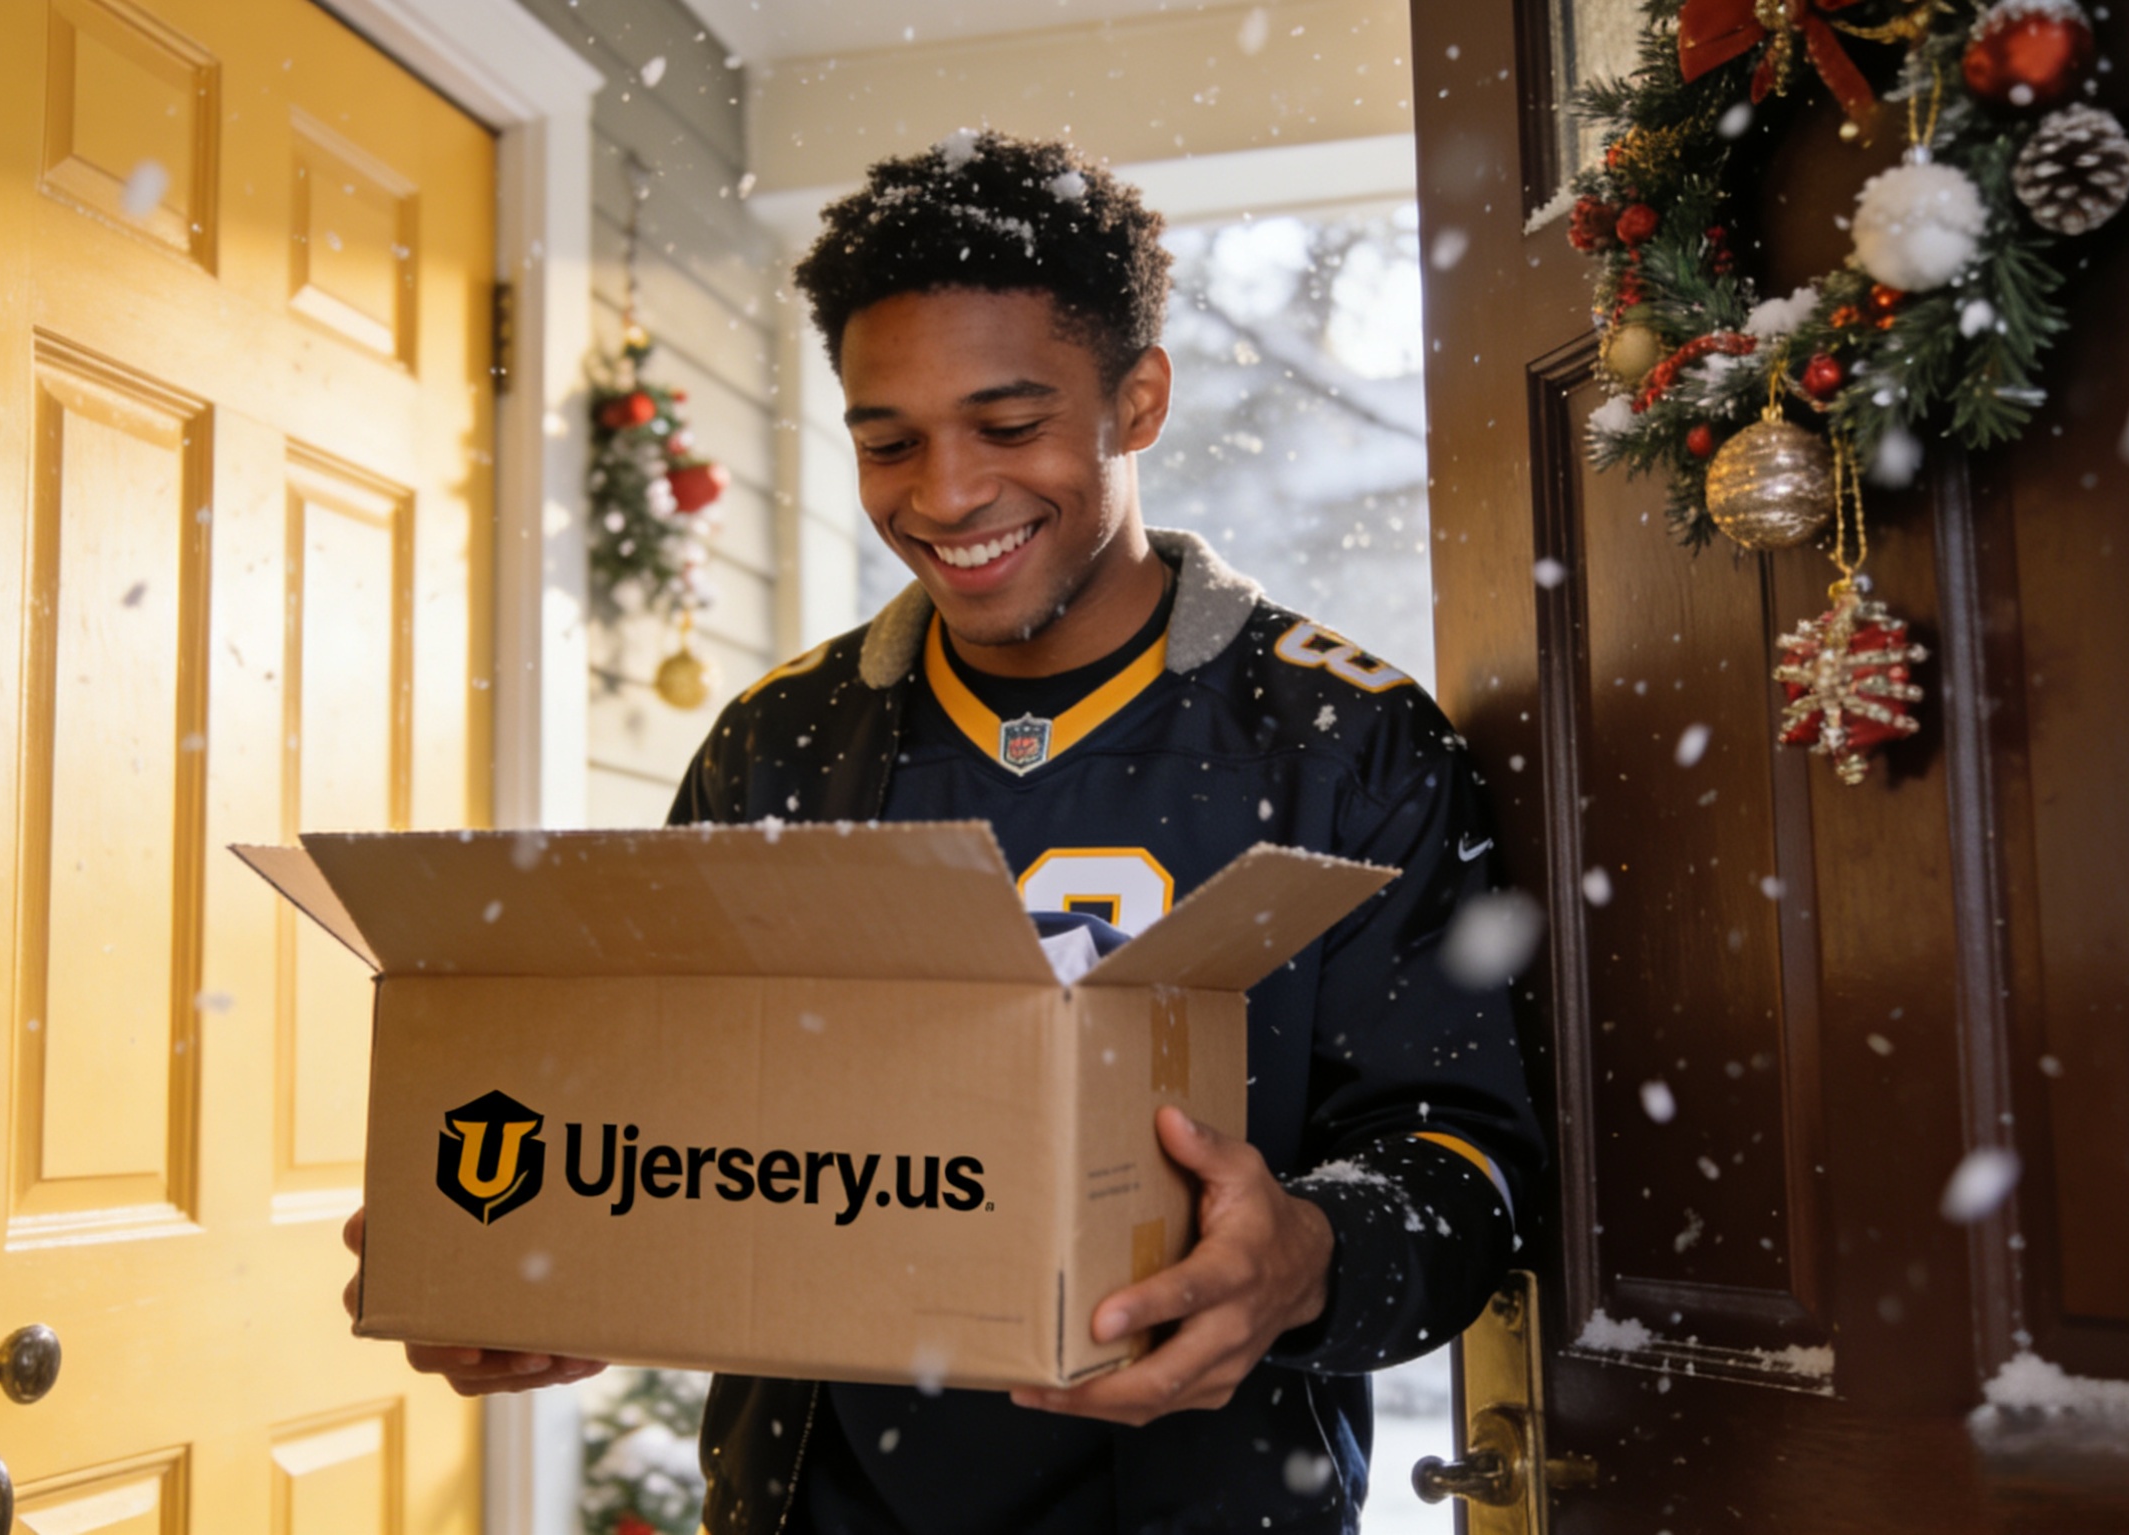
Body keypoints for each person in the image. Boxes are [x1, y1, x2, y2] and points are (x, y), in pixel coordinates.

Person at [347, 130, 1540, 1533]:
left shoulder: (1348, 740)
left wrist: (1315, 1253)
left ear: (1138, 400)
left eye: (1009, 424)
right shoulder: (776, 743)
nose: (945, 494)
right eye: (887, 440)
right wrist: (525, 1236)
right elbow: (662, 1095)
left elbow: (1468, 1156)